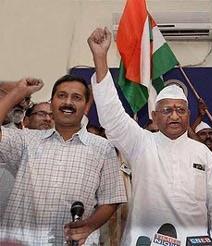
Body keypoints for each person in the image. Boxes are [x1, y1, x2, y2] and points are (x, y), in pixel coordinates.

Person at [88, 27, 212, 245]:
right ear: (155, 116)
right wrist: (100, 58)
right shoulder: (141, 143)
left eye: (180, 110)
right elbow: (112, 116)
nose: (174, 115)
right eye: (167, 110)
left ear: (188, 115)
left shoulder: (202, 152)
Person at [0, 76, 126, 245]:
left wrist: (88, 227)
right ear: (52, 103)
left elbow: (111, 199)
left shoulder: (103, 148)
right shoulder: (26, 140)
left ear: (86, 106)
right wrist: (17, 93)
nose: (68, 102)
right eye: (61, 96)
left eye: (76, 97)